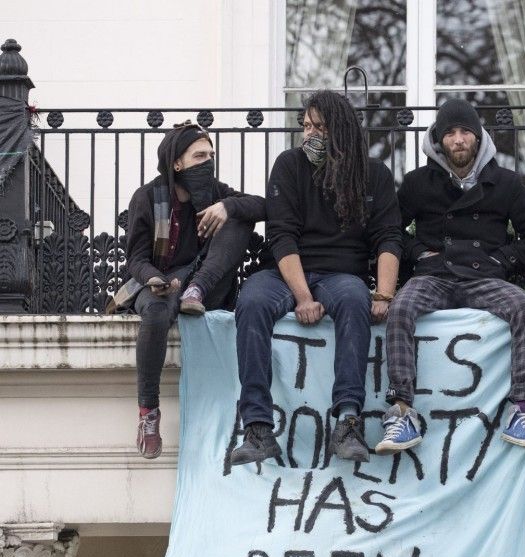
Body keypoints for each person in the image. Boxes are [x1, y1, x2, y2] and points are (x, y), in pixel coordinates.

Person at [230, 90, 402, 465]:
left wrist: (384, 295)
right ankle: (257, 427)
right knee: (253, 301)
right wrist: (304, 298)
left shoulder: (374, 175)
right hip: (287, 271)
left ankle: (348, 421)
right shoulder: (289, 165)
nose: (309, 134)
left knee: (356, 300)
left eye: (318, 127)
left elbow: (389, 236)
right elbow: (282, 235)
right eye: (305, 126)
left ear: (340, 130)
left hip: (343, 273)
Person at [376, 99, 525, 454]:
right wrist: (417, 253)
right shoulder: (416, 183)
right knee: (401, 309)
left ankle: (522, 409)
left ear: (478, 137)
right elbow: (389, 231)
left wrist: (502, 258)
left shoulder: (505, 182)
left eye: (465, 132)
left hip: (484, 277)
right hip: (434, 275)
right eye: (450, 133)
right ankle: (400, 410)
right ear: (439, 140)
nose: (458, 140)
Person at [126, 121, 265, 459]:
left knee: (239, 217)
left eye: (211, 155)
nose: (208, 161)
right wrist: (154, 279)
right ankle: (148, 413)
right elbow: (136, 258)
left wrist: (228, 206)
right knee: (156, 314)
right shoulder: (147, 198)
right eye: (200, 155)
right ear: (177, 163)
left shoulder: (217, 193)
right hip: (158, 282)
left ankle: (196, 291)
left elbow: (265, 206)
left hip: (204, 285)